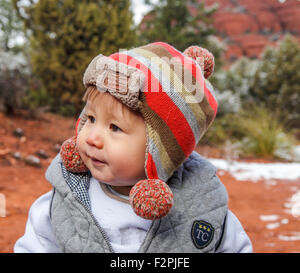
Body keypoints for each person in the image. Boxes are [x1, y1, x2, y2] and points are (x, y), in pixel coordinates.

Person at [14, 41, 252, 253]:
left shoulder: (202, 207)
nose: (92, 138)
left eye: (115, 128)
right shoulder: (65, 200)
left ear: (161, 152)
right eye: (91, 119)